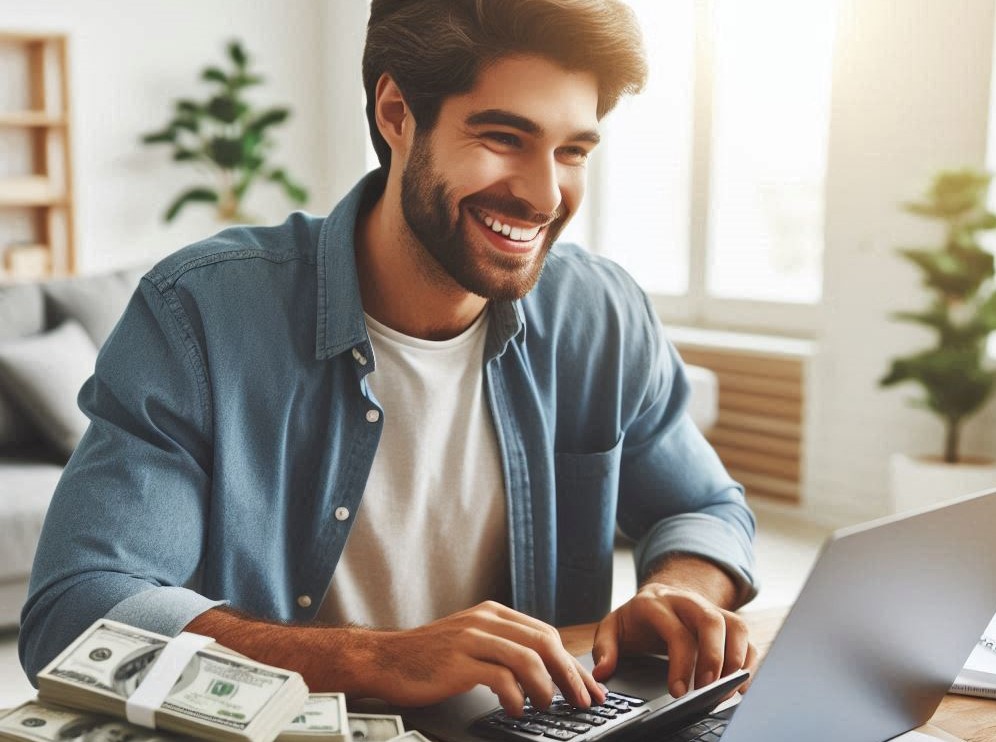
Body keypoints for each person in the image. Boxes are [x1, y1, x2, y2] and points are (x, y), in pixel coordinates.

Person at [21, 0, 759, 718]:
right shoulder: (200, 315)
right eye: (504, 137)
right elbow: (81, 610)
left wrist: (679, 590)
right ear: (396, 113)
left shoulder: (599, 314)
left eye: (571, 151)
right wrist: (379, 658)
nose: (543, 195)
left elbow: (702, 506)